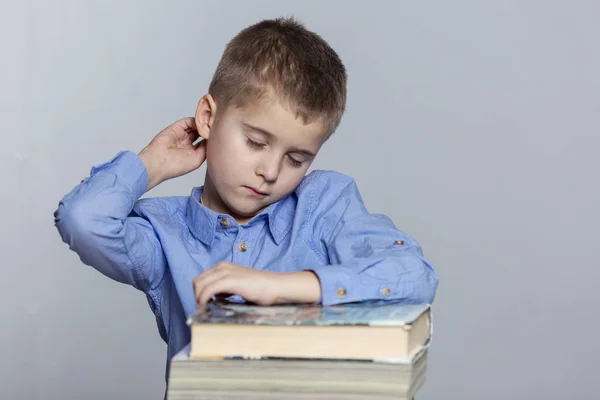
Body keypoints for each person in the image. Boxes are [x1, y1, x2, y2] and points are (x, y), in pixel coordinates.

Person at [54, 17, 439, 379]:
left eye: (296, 158)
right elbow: (83, 221)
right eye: (255, 142)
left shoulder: (323, 206)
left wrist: (284, 286)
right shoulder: (163, 234)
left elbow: (414, 275)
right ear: (207, 116)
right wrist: (152, 163)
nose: (270, 172)